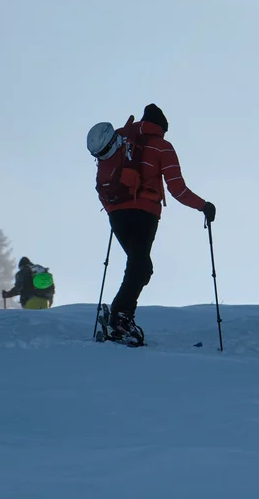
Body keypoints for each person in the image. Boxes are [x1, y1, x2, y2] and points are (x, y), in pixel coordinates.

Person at [86, 104, 215, 346]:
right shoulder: (162, 146)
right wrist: (203, 206)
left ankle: (120, 316)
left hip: (117, 213)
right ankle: (120, 318)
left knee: (140, 266)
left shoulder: (122, 137)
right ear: (163, 127)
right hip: (144, 213)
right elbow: (177, 188)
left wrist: (113, 210)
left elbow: (102, 179)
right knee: (140, 266)